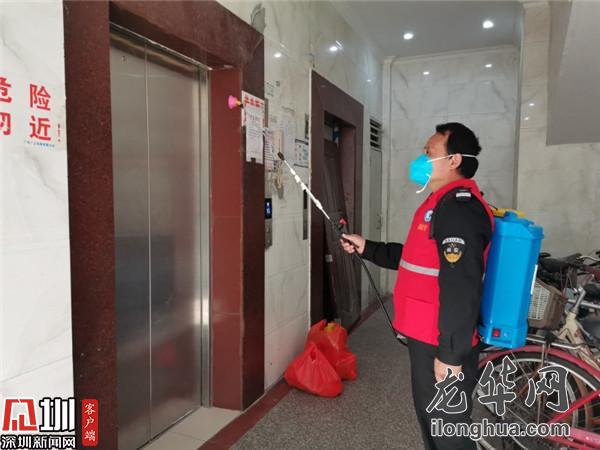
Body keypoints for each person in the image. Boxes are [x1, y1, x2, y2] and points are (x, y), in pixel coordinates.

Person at [341, 123, 494, 450]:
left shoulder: (459, 208)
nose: (421, 158)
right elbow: (414, 258)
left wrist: (450, 354)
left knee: (448, 431)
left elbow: (461, 285)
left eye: (429, 151)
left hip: (441, 339)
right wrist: (367, 247)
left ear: (454, 160)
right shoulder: (440, 202)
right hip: (426, 334)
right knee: (433, 422)